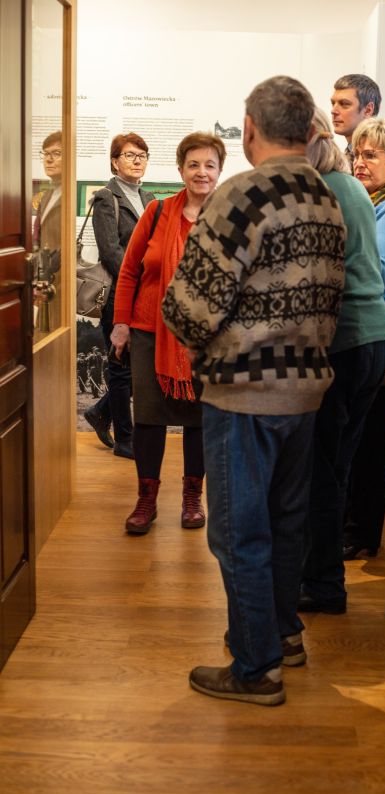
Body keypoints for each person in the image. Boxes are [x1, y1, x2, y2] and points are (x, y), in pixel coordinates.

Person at [161, 76, 346, 707]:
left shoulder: (243, 193)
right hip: (306, 390)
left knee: (238, 532)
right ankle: (283, 634)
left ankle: (256, 667)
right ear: (309, 129)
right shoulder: (324, 195)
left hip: (245, 391)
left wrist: (195, 344)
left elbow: (190, 305)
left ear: (249, 129)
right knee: (287, 521)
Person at [297, 109, 385, 615]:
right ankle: (322, 577)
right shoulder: (348, 185)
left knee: (321, 470)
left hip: (342, 341)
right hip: (369, 339)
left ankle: (324, 585)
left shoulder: (321, 190)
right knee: (335, 466)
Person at [110, 132, 227, 534]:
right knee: (148, 418)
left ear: (220, 171)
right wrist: (121, 324)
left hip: (206, 338)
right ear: (180, 169)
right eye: (193, 164)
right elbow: (129, 271)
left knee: (199, 418)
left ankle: (193, 498)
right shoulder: (157, 211)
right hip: (150, 331)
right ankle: (146, 500)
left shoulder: (229, 219)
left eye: (209, 165)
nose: (201, 172)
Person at [343, 118, 385, 560]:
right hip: (368, 326)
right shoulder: (373, 200)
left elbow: (379, 272)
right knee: (359, 433)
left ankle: (361, 532)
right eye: (357, 154)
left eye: (371, 155)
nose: (360, 163)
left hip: (382, 329)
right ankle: (353, 526)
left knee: (369, 438)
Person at [84, 133, 155, 457]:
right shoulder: (106, 198)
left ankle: (101, 411)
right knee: (120, 366)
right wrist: (142, 278)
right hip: (118, 294)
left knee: (140, 365)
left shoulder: (150, 198)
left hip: (146, 295)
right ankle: (126, 439)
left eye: (142, 155)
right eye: (129, 155)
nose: (137, 160)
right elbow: (111, 252)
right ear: (115, 162)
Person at [33, 131, 63, 334]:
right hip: (44, 281)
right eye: (46, 153)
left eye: (57, 153)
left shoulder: (68, 195)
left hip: (60, 281)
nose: (49, 159)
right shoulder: (47, 196)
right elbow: (38, 237)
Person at [330, 74, 381, 170]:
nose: (333, 111)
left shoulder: (382, 158)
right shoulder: (346, 154)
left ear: (368, 110)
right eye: (333, 103)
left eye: (344, 104)